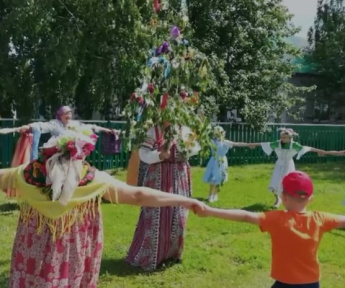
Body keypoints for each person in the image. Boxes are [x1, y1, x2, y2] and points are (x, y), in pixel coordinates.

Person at [0, 129, 205, 287]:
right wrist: (186, 200)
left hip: (31, 253)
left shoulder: (25, 174)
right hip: (73, 253)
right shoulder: (94, 179)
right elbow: (138, 194)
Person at [195, 171, 345, 288]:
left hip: (285, 282)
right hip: (311, 283)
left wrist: (210, 211)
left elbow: (245, 216)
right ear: (310, 198)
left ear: (283, 197)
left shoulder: (276, 219)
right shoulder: (321, 219)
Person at [125, 124, 200, 271]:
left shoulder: (184, 129)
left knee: (178, 215)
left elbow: (196, 147)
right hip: (158, 176)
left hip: (179, 176)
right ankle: (153, 257)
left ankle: (172, 254)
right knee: (156, 215)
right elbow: (143, 153)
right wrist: (159, 155)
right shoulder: (154, 130)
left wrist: (185, 149)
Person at [250, 128, 325, 208]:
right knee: (275, 181)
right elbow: (265, 144)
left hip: (288, 165)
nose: (282, 139)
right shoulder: (278, 143)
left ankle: (288, 201)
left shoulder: (294, 145)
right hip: (279, 164)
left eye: (284, 137)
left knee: (287, 182)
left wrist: (319, 151)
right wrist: (253, 144)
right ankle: (277, 199)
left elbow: (306, 148)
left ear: (290, 138)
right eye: (281, 137)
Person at [203, 125, 253, 202]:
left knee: (219, 178)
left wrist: (248, 144)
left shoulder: (225, 142)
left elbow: (237, 144)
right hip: (214, 161)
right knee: (213, 178)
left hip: (222, 161)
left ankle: (215, 194)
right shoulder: (212, 141)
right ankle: (210, 195)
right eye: (221, 133)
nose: (222, 134)